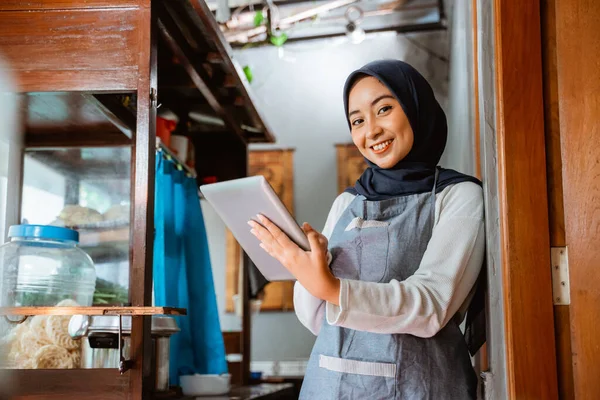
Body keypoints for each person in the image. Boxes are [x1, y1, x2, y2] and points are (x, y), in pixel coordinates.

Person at [248, 59, 485, 399]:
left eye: (384, 109)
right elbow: (319, 321)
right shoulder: (349, 201)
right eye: (357, 120)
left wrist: (330, 287)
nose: (370, 130)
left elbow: (432, 306)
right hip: (328, 387)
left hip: (420, 387)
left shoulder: (458, 195)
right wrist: (308, 268)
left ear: (417, 108)